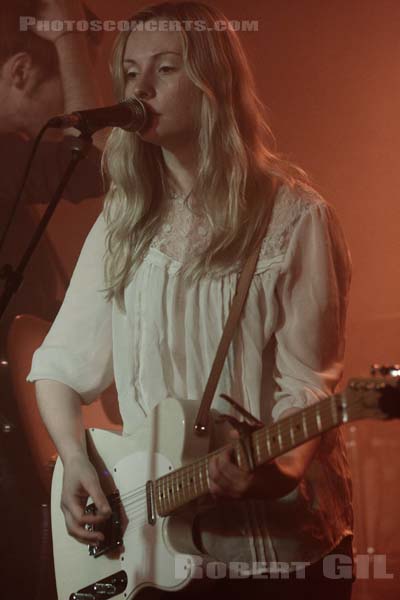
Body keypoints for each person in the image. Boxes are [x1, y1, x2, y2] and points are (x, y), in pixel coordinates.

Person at [27, 2, 354, 599]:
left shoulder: (293, 219)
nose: (141, 88)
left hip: (271, 555)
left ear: (213, 83)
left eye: (166, 69)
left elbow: (309, 386)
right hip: (154, 552)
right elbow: (57, 368)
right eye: (129, 73)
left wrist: (270, 471)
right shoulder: (124, 225)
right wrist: (75, 459)